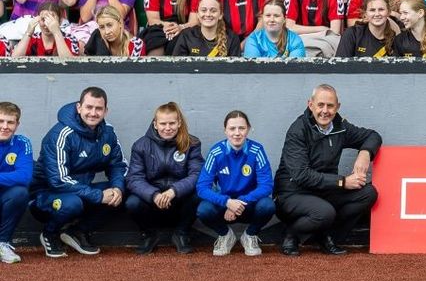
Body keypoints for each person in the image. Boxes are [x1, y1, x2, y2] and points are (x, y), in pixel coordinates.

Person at [274, 84, 381, 257]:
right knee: (324, 212)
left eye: (330, 106)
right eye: (320, 105)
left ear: (337, 107)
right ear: (311, 105)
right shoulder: (298, 130)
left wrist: (365, 153)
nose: (325, 111)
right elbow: (301, 175)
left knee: (368, 193)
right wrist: (342, 182)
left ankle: (327, 237)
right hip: (292, 194)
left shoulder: (340, 126)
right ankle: (291, 234)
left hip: (324, 191)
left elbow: (373, 136)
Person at [29, 87, 126, 258]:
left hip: (81, 192)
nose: (93, 113)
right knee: (73, 203)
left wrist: (117, 188)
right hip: (46, 196)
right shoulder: (61, 133)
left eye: (98, 109)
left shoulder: (108, 132)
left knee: (126, 189)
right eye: (89, 107)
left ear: (106, 111)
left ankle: (77, 232)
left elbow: (117, 165)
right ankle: (50, 233)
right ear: (79, 107)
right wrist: (98, 196)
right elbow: (58, 180)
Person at [125, 102, 203, 255]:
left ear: (179, 123)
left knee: (200, 193)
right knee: (132, 202)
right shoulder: (141, 145)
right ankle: (150, 234)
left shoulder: (192, 143)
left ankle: (181, 234)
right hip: (153, 202)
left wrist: (174, 191)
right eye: (163, 123)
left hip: (179, 199)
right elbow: (134, 178)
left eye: (172, 123)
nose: (168, 128)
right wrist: (153, 195)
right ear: (155, 124)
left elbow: (198, 174)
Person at [197, 110, 276, 257]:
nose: (237, 133)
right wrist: (227, 202)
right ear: (225, 130)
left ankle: (250, 235)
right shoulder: (216, 152)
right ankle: (226, 235)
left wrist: (240, 202)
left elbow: (267, 185)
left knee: (267, 206)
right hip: (223, 206)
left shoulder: (256, 150)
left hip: (249, 204)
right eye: (232, 128)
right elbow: (202, 187)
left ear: (249, 129)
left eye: (242, 128)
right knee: (204, 210)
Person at [0, 101, 32, 264]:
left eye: (10, 122)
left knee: (20, 193)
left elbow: (25, 176)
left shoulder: (22, 143)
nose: (5, 126)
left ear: (17, 125)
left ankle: (2, 243)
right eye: (1, 121)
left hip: (5, 196)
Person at [242, 0, 306, 59]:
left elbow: (296, 69)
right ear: (262, 18)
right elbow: (252, 68)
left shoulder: (294, 40)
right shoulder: (254, 39)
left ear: (284, 19)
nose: (272, 20)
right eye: (268, 15)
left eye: (276, 16)